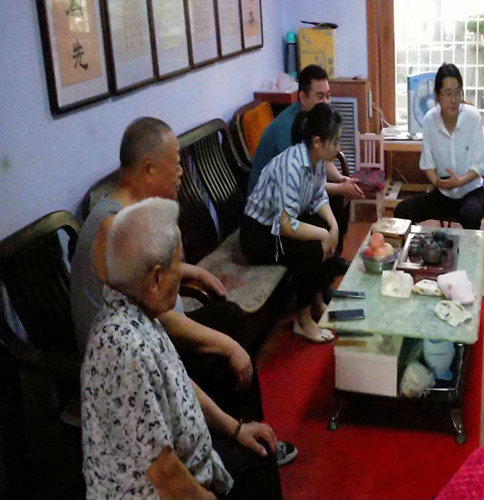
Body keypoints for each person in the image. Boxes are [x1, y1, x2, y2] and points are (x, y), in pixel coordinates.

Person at [71, 117, 297, 466]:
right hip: (133, 365)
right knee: (229, 355)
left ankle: (249, 435)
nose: (181, 173)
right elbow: (158, 320)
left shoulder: (131, 213)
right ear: (149, 170)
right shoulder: (114, 229)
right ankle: (240, 446)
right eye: (175, 163)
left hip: (157, 335)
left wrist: (194, 272)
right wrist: (228, 346)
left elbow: (154, 290)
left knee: (229, 317)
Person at [81, 198, 283, 499]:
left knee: (259, 450)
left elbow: (179, 382)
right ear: (155, 279)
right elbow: (162, 473)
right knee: (256, 468)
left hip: (195, 463)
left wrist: (236, 428)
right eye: (178, 265)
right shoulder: (123, 349)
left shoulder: (138, 312)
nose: (183, 275)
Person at [241, 102, 342, 343]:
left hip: (280, 224)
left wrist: (333, 226)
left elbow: (318, 196)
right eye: (336, 142)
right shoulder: (292, 166)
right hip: (259, 235)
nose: (339, 148)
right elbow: (285, 226)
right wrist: (322, 234)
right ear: (318, 142)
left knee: (324, 226)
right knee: (311, 248)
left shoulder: (316, 159)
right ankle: (303, 321)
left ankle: (317, 302)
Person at [249, 64, 363, 266]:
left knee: (329, 214)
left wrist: (341, 180)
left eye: (328, 96)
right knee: (315, 242)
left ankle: (330, 260)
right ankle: (323, 267)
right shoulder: (289, 134)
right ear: (303, 97)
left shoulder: (313, 132)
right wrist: (340, 190)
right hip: (267, 220)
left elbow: (318, 174)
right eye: (320, 96)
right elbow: (299, 185)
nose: (326, 102)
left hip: (293, 202)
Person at [393, 63, 484, 230]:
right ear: (437, 95)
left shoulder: (473, 118)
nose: (454, 100)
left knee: (470, 215)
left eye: (458, 92)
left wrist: (459, 181)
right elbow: (427, 164)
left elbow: (480, 165)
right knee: (402, 210)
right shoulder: (429, 120)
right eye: (448, 93)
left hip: (470, 192)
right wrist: (437, 182)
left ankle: (469, 248)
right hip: (443, 194)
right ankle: (418, 245)